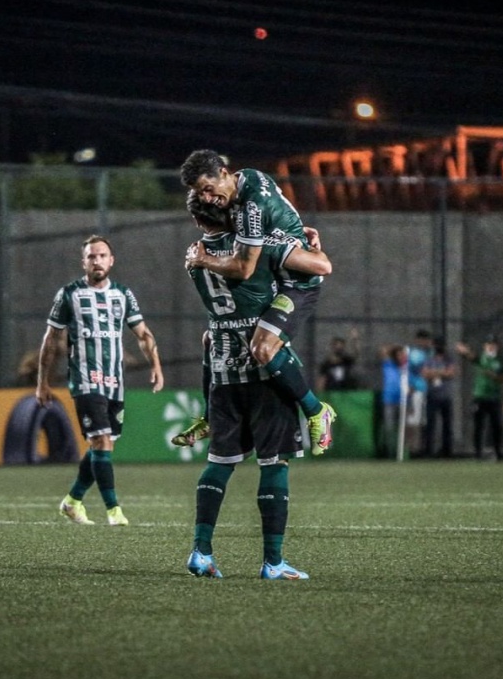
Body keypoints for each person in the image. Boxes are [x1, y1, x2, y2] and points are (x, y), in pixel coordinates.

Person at [183, 196, 329, 579]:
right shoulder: (255, 244)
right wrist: (308, 245)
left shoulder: (193, 255)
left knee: (219, 464)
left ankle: (200, 552)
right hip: (264, 372)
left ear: (197, 222)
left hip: (222, 369)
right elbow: (317, 270)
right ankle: (273, 562)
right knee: (273, 462)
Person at [179, 148, 336, 456]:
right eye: (201, 195)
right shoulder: (249, 178)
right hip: (279, 273)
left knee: (262, 347)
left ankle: (316, 410)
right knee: (213, 338)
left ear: (223, 173)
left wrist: (204, 259)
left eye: (208, 190)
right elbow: (277, 216)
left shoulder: (251, 210)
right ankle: (210, 418)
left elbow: (245, 267)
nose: (207, 198)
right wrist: (298, 232)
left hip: (296, 287)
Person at [36, 235, 164, 526]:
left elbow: (143, 334)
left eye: (102, 255)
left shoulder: (123, 294)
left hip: (114, 381)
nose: (97, 261)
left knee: (102, 447)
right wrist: (42, 381)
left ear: (111, 260)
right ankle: (113, 510)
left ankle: (72, 500)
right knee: (101, 439)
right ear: (84, 262)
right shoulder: (68, 294)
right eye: (91, 256)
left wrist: (155, 365)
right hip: (84, 379)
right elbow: (51, 338)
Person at [455, 335, 503, 460]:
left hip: (494, 396)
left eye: (493, 344)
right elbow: (472, 357)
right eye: (489, 344)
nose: (491, 346)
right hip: (480, 396)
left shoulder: (500, 361)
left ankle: (498, 452)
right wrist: (465, 351)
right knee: (479, 425)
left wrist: (493, 376)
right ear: (485, 346)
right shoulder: (482, 358)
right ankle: (478, 453)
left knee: (496, 426)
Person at [421, 335, 456, 458]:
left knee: (447, 425)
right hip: (432, 395)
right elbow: (425, 374)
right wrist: (442, 373)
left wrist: (435, 373)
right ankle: (428, 450)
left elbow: (451, 373)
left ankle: (447, 451)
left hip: (445, 396)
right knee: (430, 424)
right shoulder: (429, 359)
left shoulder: (448, 359)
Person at [378, 344, 409, 459]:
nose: (401, 357)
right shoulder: (388, 364)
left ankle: (401, 452)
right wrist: (395, 349)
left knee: (402, 428)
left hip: (403, 401)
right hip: (389, 400)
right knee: (389, 427)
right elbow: (382, 351)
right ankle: (388, 452)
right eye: (398, 355)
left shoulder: (405, 368)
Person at [405, 329, 433, 456]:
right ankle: (412, 449)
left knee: (423, 421)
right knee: (413, 420)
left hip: (426, 389)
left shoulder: (430, 353)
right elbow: (410, 370)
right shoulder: (413, 353)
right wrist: (410, 385)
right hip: (416, 389)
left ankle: (422, 448)